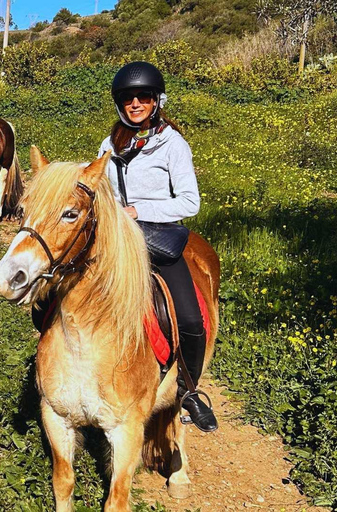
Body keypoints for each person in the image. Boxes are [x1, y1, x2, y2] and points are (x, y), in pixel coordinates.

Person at [97, 61, 217, 432]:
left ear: (156, 100)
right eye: (128, 98)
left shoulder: (173, 144)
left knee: (191, 319)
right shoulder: (110, 144)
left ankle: (189, 391)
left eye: (143, 96)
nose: (135, 103)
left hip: (160, 239)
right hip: (117, 239)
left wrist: (139, 210)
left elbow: (189, 202)